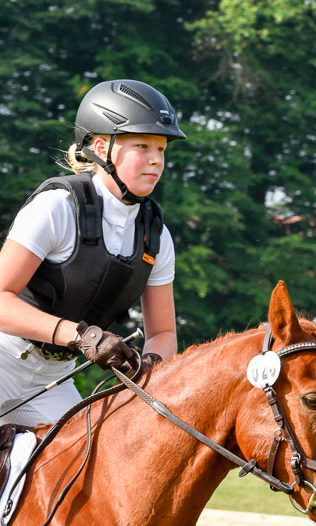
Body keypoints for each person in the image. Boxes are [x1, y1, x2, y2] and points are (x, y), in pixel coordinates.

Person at [0, 78, 186, 427]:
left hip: (51, 380)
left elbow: (162, 333)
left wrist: (147, 368)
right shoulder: (56, 207)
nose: (155, 160)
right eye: (142, 146)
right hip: (2, 358)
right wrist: (83, 336)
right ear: (101, 147)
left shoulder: (156, 237)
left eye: (161, 149)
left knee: (87, 472)